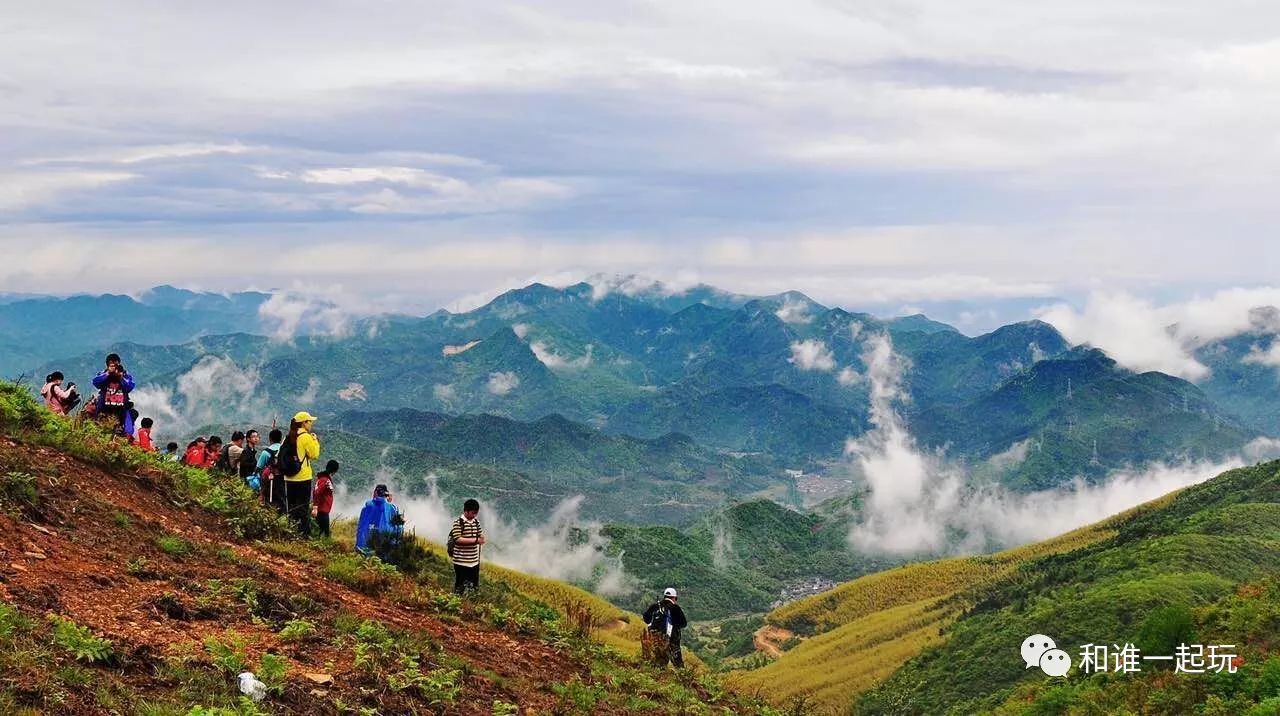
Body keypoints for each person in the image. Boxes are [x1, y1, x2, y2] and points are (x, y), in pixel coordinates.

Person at [280, 412, 321, 536]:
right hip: (303, 477)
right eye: (309, 421)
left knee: (291, 507)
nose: (311, 423)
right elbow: (314, 455)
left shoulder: (288, 437)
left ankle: (291, 531)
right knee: (302, 507)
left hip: (289, 477)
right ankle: (303, 534)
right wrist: (315, 440)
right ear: (303, 423)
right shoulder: (305, 437)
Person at [447, 498, 486, 595]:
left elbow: (481, 534)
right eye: (473, 513)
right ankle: (457, 604)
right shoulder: (458, 523)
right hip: (461, 562)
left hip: (474, 561)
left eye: (476, 513)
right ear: (466, 511)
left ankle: (471, 606)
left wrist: (481, 537)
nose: (474, 515)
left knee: (473, 587)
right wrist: (476, 540)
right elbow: (458, 539)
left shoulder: (476, 522)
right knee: (460, 586)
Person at [91, 354, 136, 437]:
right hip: (104, 407)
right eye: (112, 365)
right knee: (102, 428)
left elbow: (130, 387)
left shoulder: (125, 375)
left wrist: (121, 377)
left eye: (116, 365)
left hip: (120, 409)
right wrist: (108, 373)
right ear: (108, 365)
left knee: (119, 430)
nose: (114, 367)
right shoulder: (104, 374)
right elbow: (95, 382)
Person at [642, 588, 688, 668]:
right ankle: (683, 679)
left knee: (659, 661)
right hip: (671, 640)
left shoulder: (655, 606)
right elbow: (683, 623)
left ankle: (656, 677)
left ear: (664, 596)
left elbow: (646, 619)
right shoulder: (675, 608)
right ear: (674, 598)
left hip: (655, 639)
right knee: (678, 664)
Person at [356, 484, 402, 559]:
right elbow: (398, 529)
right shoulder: (393, 508)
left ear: (376, 493)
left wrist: (359, 546)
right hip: (387, 550)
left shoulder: (367, 507)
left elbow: (361, 528)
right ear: (386, 494)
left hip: (367, 549)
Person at [257, 428, 285, 512]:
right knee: (282, 501)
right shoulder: (285, 450)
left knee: (270, 502)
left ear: (270, 439)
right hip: (284, 481)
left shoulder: (266, 453)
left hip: (270, 482)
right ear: (280, 439)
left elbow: (259, 467)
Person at [312, 460, 338, 539]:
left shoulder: (324, 479)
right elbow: (317, 492)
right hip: (322, 511)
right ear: (334, 471)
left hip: (324, 510)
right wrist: (315, 508)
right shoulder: (325, 480)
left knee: (323, 532)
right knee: (325, 534)